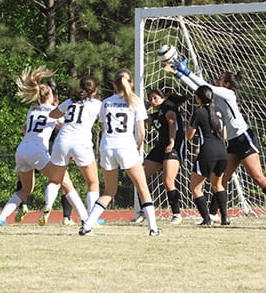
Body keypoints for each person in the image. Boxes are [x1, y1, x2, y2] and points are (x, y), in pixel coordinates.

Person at [167, 62, 266, 221]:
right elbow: (201, 90)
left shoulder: (228, 93)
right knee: (221, 179)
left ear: (227, 84)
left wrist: (186, 71)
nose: (217, 80)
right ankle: (214, 214)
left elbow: (204, 85)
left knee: (257, 176)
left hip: (244, 138)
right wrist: (178, 75)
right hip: (231, 142)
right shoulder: (216, 95)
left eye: (221, 79)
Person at [0, 67, 87, 226]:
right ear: (49, 95)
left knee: (26, 189)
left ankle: (1, 217)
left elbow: (25, 128)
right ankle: (86, 218)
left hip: (22, 150)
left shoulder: (32, 110)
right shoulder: (52, 110)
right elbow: (65, 127)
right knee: (65, 183)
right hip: (37, 151)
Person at [80, 70, 159, 236]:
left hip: (107, 146)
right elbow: (141, 133)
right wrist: (137, 148)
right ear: (130, 83)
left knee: (109, 191)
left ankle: (87, 225)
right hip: (126, 146)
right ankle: (153, 228)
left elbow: (103, 129)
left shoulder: (106, 102)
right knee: (142, 187)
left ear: (114, 84)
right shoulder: (135, 101)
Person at [39, 75, 101, 226]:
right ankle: (91, 219)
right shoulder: (97, 104)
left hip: (63, 140)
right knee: (92, 183)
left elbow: (52, 114)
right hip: (82, 142)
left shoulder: (71, 101)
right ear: (95, 90)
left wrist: (66, 112)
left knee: (54, 180)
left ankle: (48, 204)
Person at [136, 87, 187, 225]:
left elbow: (172, 123)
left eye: (155, 98)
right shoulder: (158, 113)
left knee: (168, 180)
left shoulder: (168, 107)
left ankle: (176, 214)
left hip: (173, 145)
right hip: (160, 146)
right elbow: (146, 120)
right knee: (139, 176)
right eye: (150, 98)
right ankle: (144, 211)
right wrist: (142, 107)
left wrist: (171, 142)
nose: (152, 101)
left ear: (163, 98)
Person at [186, 85, 229, 226]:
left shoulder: (198, 113)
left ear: (198, 98)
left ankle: (206, 219)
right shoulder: (218, 111)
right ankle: (225, 218)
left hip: (208, 152)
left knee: (195, 188)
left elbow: (189, 136)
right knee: (218, 185)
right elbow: (224, 135)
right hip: (222, 151)